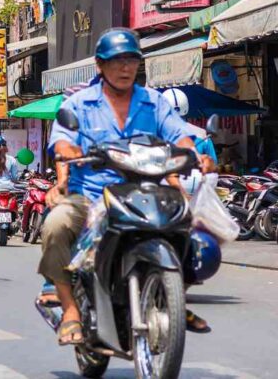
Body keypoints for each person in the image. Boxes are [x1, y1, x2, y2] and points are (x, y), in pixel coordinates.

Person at [39, 28, 211, 346]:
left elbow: (178, 135)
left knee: (187, 220)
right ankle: (71, 310)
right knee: (56, 223)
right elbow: (61, 139)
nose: (125, 68)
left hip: (144, 194)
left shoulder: (154, 103)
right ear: (100, 65)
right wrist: (70, 151)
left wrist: (193, 155)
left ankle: (174, 295)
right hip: (91, 196)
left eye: (131, 60)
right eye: (116, 61)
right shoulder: (79, 103)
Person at [161, 87, 219, 333]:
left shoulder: (199, 137)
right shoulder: (199, 135)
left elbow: (212, 167)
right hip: (166, 192)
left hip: (190, 193)